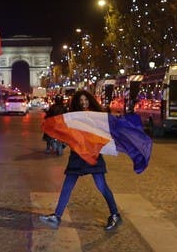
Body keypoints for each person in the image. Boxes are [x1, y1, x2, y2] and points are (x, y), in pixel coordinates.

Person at [39, 90, 122, 231]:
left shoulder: (97, 116)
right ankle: (57, 216)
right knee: (66, 187)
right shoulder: (73, 117)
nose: (84, 103)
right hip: (77, 156)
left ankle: (115, 215)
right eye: (80, 101)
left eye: (86, 100)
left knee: (102, 187)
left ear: (90, 100)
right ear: (77, 103)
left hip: (92, 156)